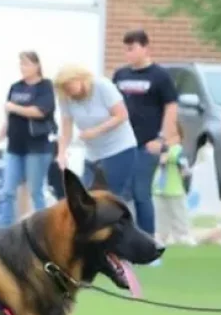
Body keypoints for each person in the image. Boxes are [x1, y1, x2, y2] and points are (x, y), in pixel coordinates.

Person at [112, 29, 179, 238]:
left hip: (147, 144)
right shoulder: (120, 75)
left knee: (141, 193)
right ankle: (124, 240)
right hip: (122, 145)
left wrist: (162, 139)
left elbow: (171, 108)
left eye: (132, 49)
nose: (128, 54)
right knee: (122, 194)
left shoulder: (159, 76)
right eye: (125, 50)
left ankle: (148, 242)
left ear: (145, 48)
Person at [54, 64, 137, 200]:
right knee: (86, 197)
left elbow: (121, 115)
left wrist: (95, 131)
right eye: (65, 91)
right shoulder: (65, 97)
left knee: (110, 197)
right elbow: (66, 130)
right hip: (93, 153)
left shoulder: (102, 86)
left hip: (118, 149)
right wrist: (61, 153)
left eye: (69, 88)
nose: (69, 94)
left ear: (79, 79)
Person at [0, 51, 56, 225]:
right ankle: (3, 230)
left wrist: (14, 107)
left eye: (26, 64)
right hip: (15, 146)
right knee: (7, 191)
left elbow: (40, 111)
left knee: (36, 191)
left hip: (37, 147)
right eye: (21, 64)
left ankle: (45, 227)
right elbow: (8, 119)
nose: (23, 68)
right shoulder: (16, 87)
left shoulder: (45, 86)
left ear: (37, 66)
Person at [153, 120, 194, 246]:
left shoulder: (178, 150)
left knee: (179, 216)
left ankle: (183, 237)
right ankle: (160, 238)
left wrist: (167, 158)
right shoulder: (159, 149)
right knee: (160, 217)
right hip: (159, 189)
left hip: (175, 189)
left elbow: (184, 167)